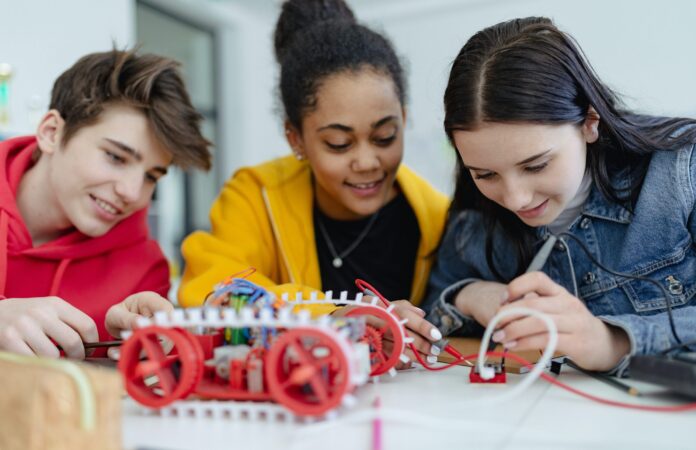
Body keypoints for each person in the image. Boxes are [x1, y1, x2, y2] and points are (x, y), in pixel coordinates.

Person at [423, 17, 696, 375]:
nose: (516, 199)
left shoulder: (679, 171)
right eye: (485, 174)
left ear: (589, 121)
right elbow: (430, 320)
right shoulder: (477, 219)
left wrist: (611, 342)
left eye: (535, 166)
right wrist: (469, 296)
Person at [180, 0, 448, 358]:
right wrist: (335, 319)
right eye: (339, 144)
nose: (367, 162)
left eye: (385, 136)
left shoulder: (436, 215)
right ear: (296, 138)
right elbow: (215, 289)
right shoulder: (255, 196)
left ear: (402, 117)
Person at [0, 49, 211, 358]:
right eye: (116, 157)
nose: (132, 192)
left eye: (151, 176)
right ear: (51, 132)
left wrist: (141, 354)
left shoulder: (144, 273)